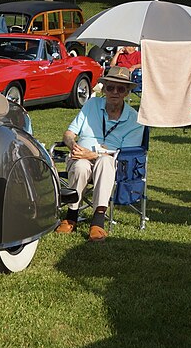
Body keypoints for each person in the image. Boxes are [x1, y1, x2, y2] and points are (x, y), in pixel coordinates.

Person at [56, 66, 144, 241]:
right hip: (79, 158)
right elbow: (69, 133)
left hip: (111, 163)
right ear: (104, 89)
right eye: (110, 87)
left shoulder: (134, 119)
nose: (115, 92)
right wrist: (72, 144)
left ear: (127, 92)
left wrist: (93, 155)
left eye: (120, 88)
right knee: (81, 166)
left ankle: (98, 222)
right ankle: (71, 216)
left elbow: (124, 155)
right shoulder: (91, 105)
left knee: (105, 162)